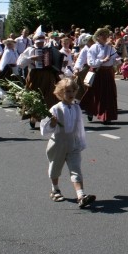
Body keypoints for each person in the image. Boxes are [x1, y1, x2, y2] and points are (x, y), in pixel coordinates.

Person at [40, 78, 95, 208]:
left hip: (73, 143)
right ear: (60, 93)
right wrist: (52, 123)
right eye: (67, 92)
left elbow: (79, 127)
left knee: (76, 169)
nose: (70, 94)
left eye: (72, 91)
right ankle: (55, 189)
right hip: (58, 143)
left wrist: (80, 142)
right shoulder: (55, 108)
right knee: (55, 167)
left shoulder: (76, 108)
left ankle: (81, 196)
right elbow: (45, 129)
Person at [17, 28, 63, 128]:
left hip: (48, 75)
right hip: (35, 76)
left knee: (50, 96)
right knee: (36, 97)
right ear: (34, 41)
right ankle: (33, 117)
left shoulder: (49, 49)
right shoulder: (30, 50)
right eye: (38, 42)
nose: (40, 44)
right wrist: (31, 58)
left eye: (42, 42)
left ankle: (50, 118)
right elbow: (19, 63)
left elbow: (55, 61)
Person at [80, 28, 121, 124]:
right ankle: (91, 111)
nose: (105, 36)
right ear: (98, 37)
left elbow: (114, 59)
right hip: (98, 73)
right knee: (96, 94)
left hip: (108, 73)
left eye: (106, 35)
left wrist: (118, 60)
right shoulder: (93, 48)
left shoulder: (110, 48)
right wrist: (102, 61)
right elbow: (91, 63)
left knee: (109, 94)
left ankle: (107, 116)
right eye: (103, 35)